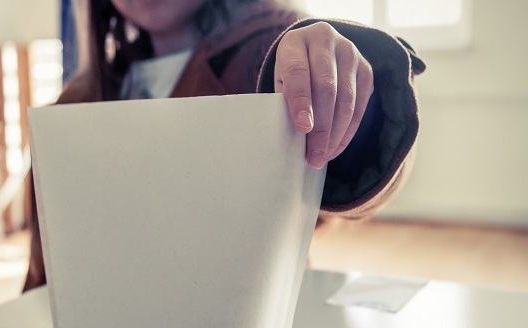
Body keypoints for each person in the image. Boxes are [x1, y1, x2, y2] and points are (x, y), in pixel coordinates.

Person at [23, 0, 425, 291]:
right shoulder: (76, 101)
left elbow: (364, 164)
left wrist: (340, 90)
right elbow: (47, 268)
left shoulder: (270, 53)